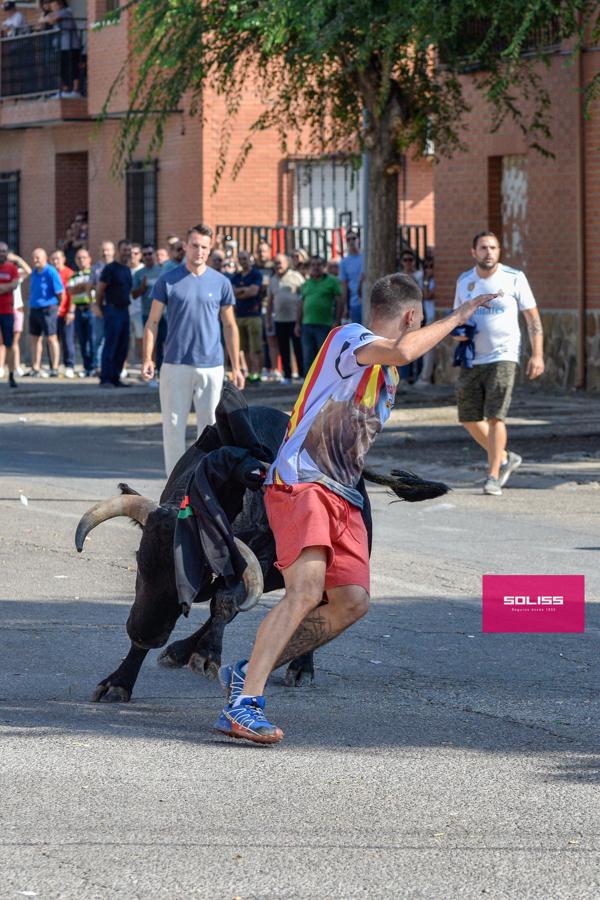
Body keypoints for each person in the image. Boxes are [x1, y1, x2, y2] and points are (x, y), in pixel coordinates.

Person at [212, 273, 498, 743]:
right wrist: (460, 315)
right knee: (303, 591)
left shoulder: (387, 374)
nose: (421, 326)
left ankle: (248, 671)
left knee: (352, 602)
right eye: (420, 319)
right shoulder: (350, 338)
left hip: (343, 493)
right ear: (410, 316)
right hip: (302, 483)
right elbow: (404, 350)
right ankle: (243, 706)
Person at [143, 224, 245, 475]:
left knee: (210, 427)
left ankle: (203, 482)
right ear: (186, 246)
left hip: (211, 364)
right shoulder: (168, 281)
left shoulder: (221, 282)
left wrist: (237, 366)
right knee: (173, 425)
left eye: (204, 247)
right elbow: (153, 321)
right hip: (175, 363)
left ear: (210, 249)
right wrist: (148, 357)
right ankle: (174, 485)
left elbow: (230, 324)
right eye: (195, 245)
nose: (199, 251)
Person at [453, 231, 545, 496]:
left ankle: (493, 474)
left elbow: (533, 320)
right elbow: (458, 317)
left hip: (504, 356)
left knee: (495, 415)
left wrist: (537, 354)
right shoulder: (465, 281)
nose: (489, 252)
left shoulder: (514, 278)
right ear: (474, 252)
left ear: (499, 251)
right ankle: (504, 456)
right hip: (472, 356)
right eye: (483, 247)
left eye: (493, 247)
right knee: (468, 417)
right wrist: (457, 333)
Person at [295, 255, 343, 372]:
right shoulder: (306, 284)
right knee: (308, 357)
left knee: (324, 356)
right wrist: (297, 324)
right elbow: (301, 304)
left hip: (325, 325)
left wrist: (337, 320)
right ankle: (308, 385)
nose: (315, 267)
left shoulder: (332, 281)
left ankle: (325, 384)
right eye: (313, 265)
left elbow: (340, 301)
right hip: (307, 325)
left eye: (318, 265)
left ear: (324, 267)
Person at [95, 239, 132, 388]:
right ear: (118, 251)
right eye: (124, 250)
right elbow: (100, 290)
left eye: (129, 251)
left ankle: (116, 377)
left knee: (122, 346)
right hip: (112, 310)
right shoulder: (110, 269)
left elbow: (129, 292)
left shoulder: (126, 269)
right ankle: (106, 379)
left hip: (124, 311)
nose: (127, 253)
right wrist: (99, 307)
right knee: (110, 344)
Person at [266, 253, 304, 383]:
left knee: (298, 348)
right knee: (283, 349)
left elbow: (304, 296)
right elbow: (269, 302)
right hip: (279, 319)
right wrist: (268, 321)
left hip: (295, 319)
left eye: (280, 263)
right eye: (275, 263)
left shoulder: (296, 276)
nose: (277, 266)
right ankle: (287, 376)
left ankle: (301, 374)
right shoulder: (272, 280)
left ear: (287, 263)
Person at [27, 248, 63, 378]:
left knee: (52, 337)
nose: (35, 260)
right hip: (35, 308)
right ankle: (35, 367)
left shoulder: (51, 271)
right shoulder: (34, 273)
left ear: (45, 258)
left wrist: (58, 306)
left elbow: (60, 292)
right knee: (35, 338)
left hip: (48, 308)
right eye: (34, 258)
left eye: (38, 257)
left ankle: (54, 367)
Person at [132, 244, 164, 386]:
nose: (148, 256)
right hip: (147, 314)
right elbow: (133, 295)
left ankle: (163, 373)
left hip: (164, 314)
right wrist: (142, 287)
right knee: (151, 345)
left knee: (164, 344)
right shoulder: (139, 274)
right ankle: (152, 375)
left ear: (154, 254)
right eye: (145, 254)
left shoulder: (162, 271)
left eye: (150, 253)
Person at [230, 250, 264, 382]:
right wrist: (245, 290)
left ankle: (258, 372)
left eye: (245, 258)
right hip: (239, 314)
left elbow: (254, 292)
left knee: (256, 347)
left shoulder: (256, 274)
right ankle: (250, 372)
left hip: (253, 314)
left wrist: (241, 292)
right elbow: (232, 292)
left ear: (250, 259)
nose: (243, 261)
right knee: (244, 347)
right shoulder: (236, 276)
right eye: (240, 258)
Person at [0, 249, 30, 378]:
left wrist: (17, 259)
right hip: (5, 309)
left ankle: (15, 367)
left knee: (13, 342)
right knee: (1, 342)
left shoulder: (15, 270)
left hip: (15, 309)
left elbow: (29, 272)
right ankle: (2, 367)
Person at [43, 0, 81, 97]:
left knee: (73, 67)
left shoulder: (66, 11)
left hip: (71, 45)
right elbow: (41, 20)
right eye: (52, 6)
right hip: (62, 47)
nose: (53, 7)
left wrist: (48, 18)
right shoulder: (55, 13)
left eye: (54, 5)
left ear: (60, 5)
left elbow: (52, 20)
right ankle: (65, 89)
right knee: (62, 68)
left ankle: (76, 90)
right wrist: (47, 17)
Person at [67, 248, 95, 377]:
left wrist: (82, 287)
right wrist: (84, 286)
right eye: (78, 258)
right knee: (82, 341)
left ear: (89, 259)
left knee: (93, 339)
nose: (81, 260)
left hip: (92, 308)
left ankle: (94, 366)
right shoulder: (74, 275)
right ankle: (86, 366)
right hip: (78, 309)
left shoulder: (94, 273)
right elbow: (71, 291)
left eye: (84, 257)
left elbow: (92, 286)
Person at [90, 240, 115, 375]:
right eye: (103, 250)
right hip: (100, 308)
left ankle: (114, 366)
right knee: (98, 338)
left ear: (113, 251)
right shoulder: (96, 268)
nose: (106, 253)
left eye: (108, 250)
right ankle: (98, 367)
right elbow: (89, 288)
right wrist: (93, 305)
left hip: (114, 308)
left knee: (113, 338)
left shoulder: (118, 267)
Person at [50, 249, 75, 377]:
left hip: (65, 312)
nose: (55, 261)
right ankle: (53, 366)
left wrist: (71, 310)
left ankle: (69, 365)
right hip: (52, 313)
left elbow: (73, 294)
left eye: (57, 258)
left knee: (67, 340)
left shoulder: (69, 273)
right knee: (52, 340)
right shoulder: (50, 273)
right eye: (53, 259)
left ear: (63, 259)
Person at [0, 242, 20, 387]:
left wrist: (3, 287)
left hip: (7, 311)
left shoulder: (11, 268)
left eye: (4, 251)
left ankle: (11, 374)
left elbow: (14, 284)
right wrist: (4, 287)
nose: (2, 254)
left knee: (10, 343)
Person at [415, 255, 436, 387]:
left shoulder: (433, 281)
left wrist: (427, 280)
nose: (428, 269)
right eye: (426, 267)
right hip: (426, 317)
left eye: (431, 266)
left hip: (434, 318)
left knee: (428, 350)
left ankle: (425, 378)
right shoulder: (421, 279)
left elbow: (427, 296)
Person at [339, 230, 364, 324]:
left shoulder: (366, 257)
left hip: (369, 300)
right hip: (355, 302)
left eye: (353, 238)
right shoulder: (344, 262)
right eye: (348, 239)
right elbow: (344, 286)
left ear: (359, 240)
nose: (351, 241)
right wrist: (345, 307)